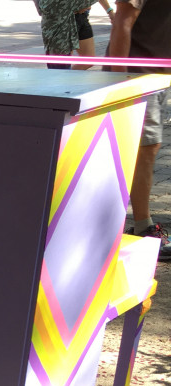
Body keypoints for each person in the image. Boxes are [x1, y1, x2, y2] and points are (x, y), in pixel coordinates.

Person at [109, 0, 171, 261]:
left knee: (147, 147)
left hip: (158, 74)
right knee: (143, 149)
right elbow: (122, 22)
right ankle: (143, 226)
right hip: (137, 77)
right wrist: (118, 83)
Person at [35, 0, 114, 70]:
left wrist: (109, 11)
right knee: (61, 68)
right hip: (61, 20)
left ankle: (69, 77)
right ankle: (66, 78)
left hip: (79, 15)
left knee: (88, 60)